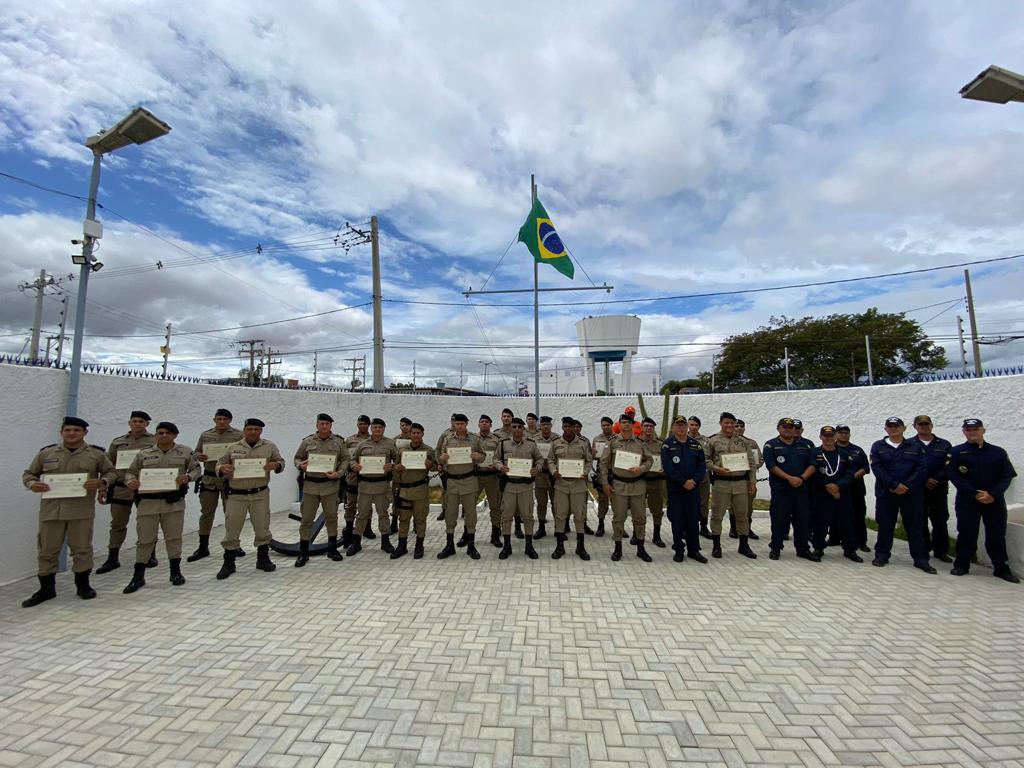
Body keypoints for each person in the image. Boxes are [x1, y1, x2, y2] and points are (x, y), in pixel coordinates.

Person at [22, 416, 116, 607]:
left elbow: (111, 472)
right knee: (47, 550)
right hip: (51, 511)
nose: (72, 434)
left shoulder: (95, 455)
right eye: (68, 430)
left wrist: (101, 482)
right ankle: (46, 589)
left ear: (84, 433)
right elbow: (29, 474)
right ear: (62, 432)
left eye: (76, 430)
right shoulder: (46, 453)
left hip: (80, 511)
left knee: (81, 549)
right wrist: (32, 484)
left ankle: (83, 586)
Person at [122, 422, 201, 593]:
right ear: (156, 435)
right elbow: (130, 472)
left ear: (175, 435)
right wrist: (130, 481)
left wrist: (188, 477)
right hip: (148, 503)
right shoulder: (144, 454)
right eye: (160, 433)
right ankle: (138, 576)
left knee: (173, 538)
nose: (163, 436)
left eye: (167, 433)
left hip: (173, 502)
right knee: (145, 540)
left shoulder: (185, 452)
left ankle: (175, 572)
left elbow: (196, 470)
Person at [949, 418, 1019, 582]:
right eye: (968, 429)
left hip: (994, 501)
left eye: (975, 429)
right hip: (968, 500)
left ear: (983, 430)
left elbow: (1006, 476)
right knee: (967, 533)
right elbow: (954, 476)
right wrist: (974, 493)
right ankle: (962, 564)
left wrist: (993, 494)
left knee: (996, 535)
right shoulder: (956, 452)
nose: (972, 432)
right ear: (964, 432)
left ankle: (1001, 568)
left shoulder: (998, 452)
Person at [215, 418, 285, 579]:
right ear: (244, 430)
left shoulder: (269, 446)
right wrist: (222, 468)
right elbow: (220, 464)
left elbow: (281, 461)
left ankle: (262, 559)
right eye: (250, 429)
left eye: (256, 429)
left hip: (259, 494)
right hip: (236, 495)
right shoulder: (233, 447)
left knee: (262, 527)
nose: (253, 432)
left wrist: (276, 466)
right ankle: (229, 562)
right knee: (232, 528)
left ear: (261, 431)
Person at [869, 416, 935, 573]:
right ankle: (882, 555)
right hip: (887, 493)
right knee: (885, 525)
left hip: (910, 494)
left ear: (904, 428)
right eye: (890, 426)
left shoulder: (915, 446)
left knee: (915, 526)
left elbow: (922, 469)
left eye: (896, 426)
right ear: (886, 429)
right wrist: (893, 485)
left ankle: (921, 559)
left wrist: (906, 486)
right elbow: (877, 469)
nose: (893, 428)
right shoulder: (878, 446)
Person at [96, 410, 156, 574]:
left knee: (147, 522)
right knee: (117, 523)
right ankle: (113, 557)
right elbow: (108, 466)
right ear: (129, 423)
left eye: (141, 421)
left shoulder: (154, 440)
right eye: (134, 421)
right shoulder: (118, 442)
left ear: (147, 424)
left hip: (145, 488)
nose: (137, 424)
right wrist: (103, 487)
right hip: (121, 488)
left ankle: (150, 554)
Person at [293, 413, 350, 567]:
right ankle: (303, 552)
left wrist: (338, 473)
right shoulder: (307, 441)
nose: (324, 426)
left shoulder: (338, 442)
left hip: (330, 486)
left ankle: (332, 549)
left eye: (327, 424)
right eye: (321, 423)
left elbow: (345, 459)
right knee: (306, 519)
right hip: (311, 486)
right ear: (317, 425)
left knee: (331, 517)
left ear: (331, 426)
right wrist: (301, 466)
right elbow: (297, 458)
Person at [188, 408, 243, 562]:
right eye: (219, 419)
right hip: (210, 479)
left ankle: (233, 544)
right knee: (206, 514)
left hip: (229, 479)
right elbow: (195, 453)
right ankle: (203, 546)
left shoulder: (239, 435)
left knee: (231, 514)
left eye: (225, 419)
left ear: (230, 420)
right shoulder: (206, 435)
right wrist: (199, 456)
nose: (222, 422)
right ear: (214, 420)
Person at [600, 413, 654, 562]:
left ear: (632, 425)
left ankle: (641, 548)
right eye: (623, 422)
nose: (625, 425)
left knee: (640, 517)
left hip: (637, 484)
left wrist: (641, 469)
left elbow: (649, 460)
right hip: (619, 485)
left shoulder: (640, 443)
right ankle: (618, 548)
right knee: (618, 518)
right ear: (619, 424)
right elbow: (603, 464)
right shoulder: (612, 442)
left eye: (628, 423)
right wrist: (605, 483)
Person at [764, 417, 819, 562]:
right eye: (785, 427)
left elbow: (813, 465)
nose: (788, 429)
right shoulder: (771, 445)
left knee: (802, 520)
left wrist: (801, 479)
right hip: (781, 489)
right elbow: (771, 466)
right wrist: (789, 478)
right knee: (779, 520)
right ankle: (776, 547)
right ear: (778, 428)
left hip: (801, 488)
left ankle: (803, 549)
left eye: (790, 427)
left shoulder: (805, 445)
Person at [705, 412, 757, 559]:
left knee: (742, 515)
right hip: (721, 483)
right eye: (726, 422)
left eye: (731, 423)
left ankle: (744, 545)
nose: (729, 425)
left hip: (740, 483)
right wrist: (717, 469)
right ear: (721, 423)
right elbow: (705, 460)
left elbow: (751, 463)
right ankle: (716, 545)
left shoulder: (743, 442)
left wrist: (752, 481)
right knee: (717, 515)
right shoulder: (712, 441)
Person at [436, 414, 484, 559]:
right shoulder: (448, 439)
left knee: (470, 514)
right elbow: (441, 456)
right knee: (450, 514)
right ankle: (449, 545)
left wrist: (478, 457)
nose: (459, 426)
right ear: (454, 424)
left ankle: (471, 545)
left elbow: (482, 455)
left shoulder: (475, 439)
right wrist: (442, 459)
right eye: (457, 424)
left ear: (467, 424)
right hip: (452, 482)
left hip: (469, 480)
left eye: (462, 423)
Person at [810, 426, 861, 562]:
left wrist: (838, 486)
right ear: (821, 437)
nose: (829, 438)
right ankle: (818, 548)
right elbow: (812, 471)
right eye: (826, 436)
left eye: (831, 435)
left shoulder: (844, 454)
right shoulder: (814, 453)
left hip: (842, 494)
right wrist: (828, 486)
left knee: (846, 522)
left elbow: (851, 473)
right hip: (822, 493)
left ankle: (850, 550)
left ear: (835, 437)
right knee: (820, 522)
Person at [907, 415, 953, 563]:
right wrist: (922, 480)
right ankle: (923, 548)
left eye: (927, 424)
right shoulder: (908, 444)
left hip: (938, 488)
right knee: (919, 520)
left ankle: (941, 551)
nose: (924, 427)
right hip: (917, 489)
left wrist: (936, 479)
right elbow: (907, 467)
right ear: (915, 426)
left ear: (932, 426)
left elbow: (949, 465)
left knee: (940, 520)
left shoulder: (944, 444)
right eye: (920, 425)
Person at [348, 418, 398, 556]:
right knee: (361, 514)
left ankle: (385, 541)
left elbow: (398, 460)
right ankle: (356, 542)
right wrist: (354, 466)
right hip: (365, 485)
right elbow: (352, 459)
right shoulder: (362, 444)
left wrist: (392, 466)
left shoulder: (390, 444)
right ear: (371, 429)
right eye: (375, 427)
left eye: (380, 427)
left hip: (382, 485)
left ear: (384, 429)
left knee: (383, 514)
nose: (377, 430)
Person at [662, 416, 708, 564]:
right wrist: (683, 482)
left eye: (683, 425)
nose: (681, 428)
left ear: (687, 427)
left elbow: (702, 466)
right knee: (677, 520)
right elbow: (668, 468)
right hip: (676, 490)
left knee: (693, 521)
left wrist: (693, 480)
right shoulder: (667, 446)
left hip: (693, 490)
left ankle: (694, 550)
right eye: (678, 425)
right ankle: (679, 550)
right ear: (673, 427)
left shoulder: (696, 445)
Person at [496, 418, 543, 559]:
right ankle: (507, 546)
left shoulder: (531, 444)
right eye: (514, 426)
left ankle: (529, 546)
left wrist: (537, 468)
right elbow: (496, 459)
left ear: (523, 429)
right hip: (509, 485)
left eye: (519, 427)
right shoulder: (503, 444)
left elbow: (539, 459)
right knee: (506, 516)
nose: (517, 429)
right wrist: (500, 467)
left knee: (528, 516)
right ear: (511, 428)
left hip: (526, 486)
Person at [392, 422, 436, 559]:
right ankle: (402, 546)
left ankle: (419, 545)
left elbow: (436, 467)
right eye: (413, 433)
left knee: (420, 519)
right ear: (410, 434)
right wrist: (397, 468)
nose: (416, 435)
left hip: (420, 490)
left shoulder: (428, 451)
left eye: (418, 433)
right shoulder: (403, 451)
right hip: (405, 490)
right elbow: (396, 468)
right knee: (403, 519)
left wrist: (431, 465)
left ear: (423, 434)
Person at [552, 416, 594, 560]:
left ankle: (580, 547)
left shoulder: (582, 443)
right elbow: (551, 460)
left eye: (570, 426)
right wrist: (553, 471)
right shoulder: (556, 443)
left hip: (578, 484)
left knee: (579, 515)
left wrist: (586, 472)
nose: (567, 429)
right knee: (560, 515)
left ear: (574, 427)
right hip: (561, 484)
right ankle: (559, 547)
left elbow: (589, 460)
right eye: (565, 426)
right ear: (562, 427)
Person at [835, 425, 871, 554]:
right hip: (837, 489)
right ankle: (834, 539)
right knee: (835, 515)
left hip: (856, 489)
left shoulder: (857, 450)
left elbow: (865, 468)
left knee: (858, 516)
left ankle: (861, 542)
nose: (844, 435)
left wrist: (850, 478)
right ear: (836, 434)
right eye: (841, 433)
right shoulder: (831, 449)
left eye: (846, 433)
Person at [341, 415, 373, 544]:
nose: (363, 426)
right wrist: (351, 466)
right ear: (357, 425)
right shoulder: (349, 440)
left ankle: (367, 528)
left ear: (369, 425)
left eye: (365, 424)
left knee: (367, 505)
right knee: (350, 504)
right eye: (361, 424)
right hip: (353, 477)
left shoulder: (373, 440)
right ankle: (349, 527)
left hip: (368, 478)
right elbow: (344, 458)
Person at [638, 417, 667, 547]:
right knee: (638, 509)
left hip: (656, 481)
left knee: (657, 509)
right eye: (646, 426)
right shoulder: (636, 442)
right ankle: (637, 534)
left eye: (651, 426)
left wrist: (664, 469)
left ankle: (656, 535)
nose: (649, 428)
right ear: (642, 427)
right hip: (641, 480)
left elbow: (666, 460)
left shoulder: (660, 444)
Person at [476, 415, 503, 547]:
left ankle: (495, 533)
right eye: (482, 422)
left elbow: (500, 456)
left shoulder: (497, 440)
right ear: (478, 424)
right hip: (476, 476)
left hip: (492, 477)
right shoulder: (473, 439)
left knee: (495, 506)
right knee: (470, 506)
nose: (484, 424)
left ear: (491, 425)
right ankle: (467, 533)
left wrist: (497, 466)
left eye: (487, 422)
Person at [733, 419, 763, 540]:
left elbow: (759, 460)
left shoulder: (751, 443)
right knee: (733, 506)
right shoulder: (728, 442)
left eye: (741, 426)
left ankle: (748, 529)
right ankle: (733, 528)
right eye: (736, 426)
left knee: (748, 505)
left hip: (748, 478)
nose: (739, 428)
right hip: (733, 478)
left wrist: (750, 466)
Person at [687, 416, 713, 538]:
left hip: (703, 477)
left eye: (696, 425)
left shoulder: (706, 441)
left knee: (703, 503)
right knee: (688, 502)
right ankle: (687, 527)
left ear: (699, 426)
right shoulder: (681, 439)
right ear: (688, 425)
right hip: (687, 477)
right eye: (691, 424)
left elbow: (710, 457)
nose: (693, 427)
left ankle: (703, 527)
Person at [532, 416, 557, 539]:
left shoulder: (557, 439)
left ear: (551, 426)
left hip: (554, 476)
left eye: (548, 424)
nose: (545, 426)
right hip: (540, 476)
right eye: (543, 424)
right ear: (540, 426)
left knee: (556, 503)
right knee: (541, 503)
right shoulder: (534, 440)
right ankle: (541, 528)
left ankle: (559, 529)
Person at [591, 417, 615, 536]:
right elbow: (593, 457)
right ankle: (601, 525)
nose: (605, 427)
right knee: (603, 500)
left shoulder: (617, 438)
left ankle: (619, 526)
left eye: (607, 425)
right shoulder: (597, 439)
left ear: (612, 425)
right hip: (602, 473)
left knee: (618, 501)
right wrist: (593, 454)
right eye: (603, 425)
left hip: (615, 473)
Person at [390, 417, 414, 534]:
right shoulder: (394, 440)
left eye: (406, 425)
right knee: (396, 499)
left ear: (410, 426)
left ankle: (415, 524)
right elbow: (391, 455)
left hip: (412, 474)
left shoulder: (415, 438)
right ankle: (394, 523)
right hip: (398, 475)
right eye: (402, 425)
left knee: (414, 499)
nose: (404, 427)